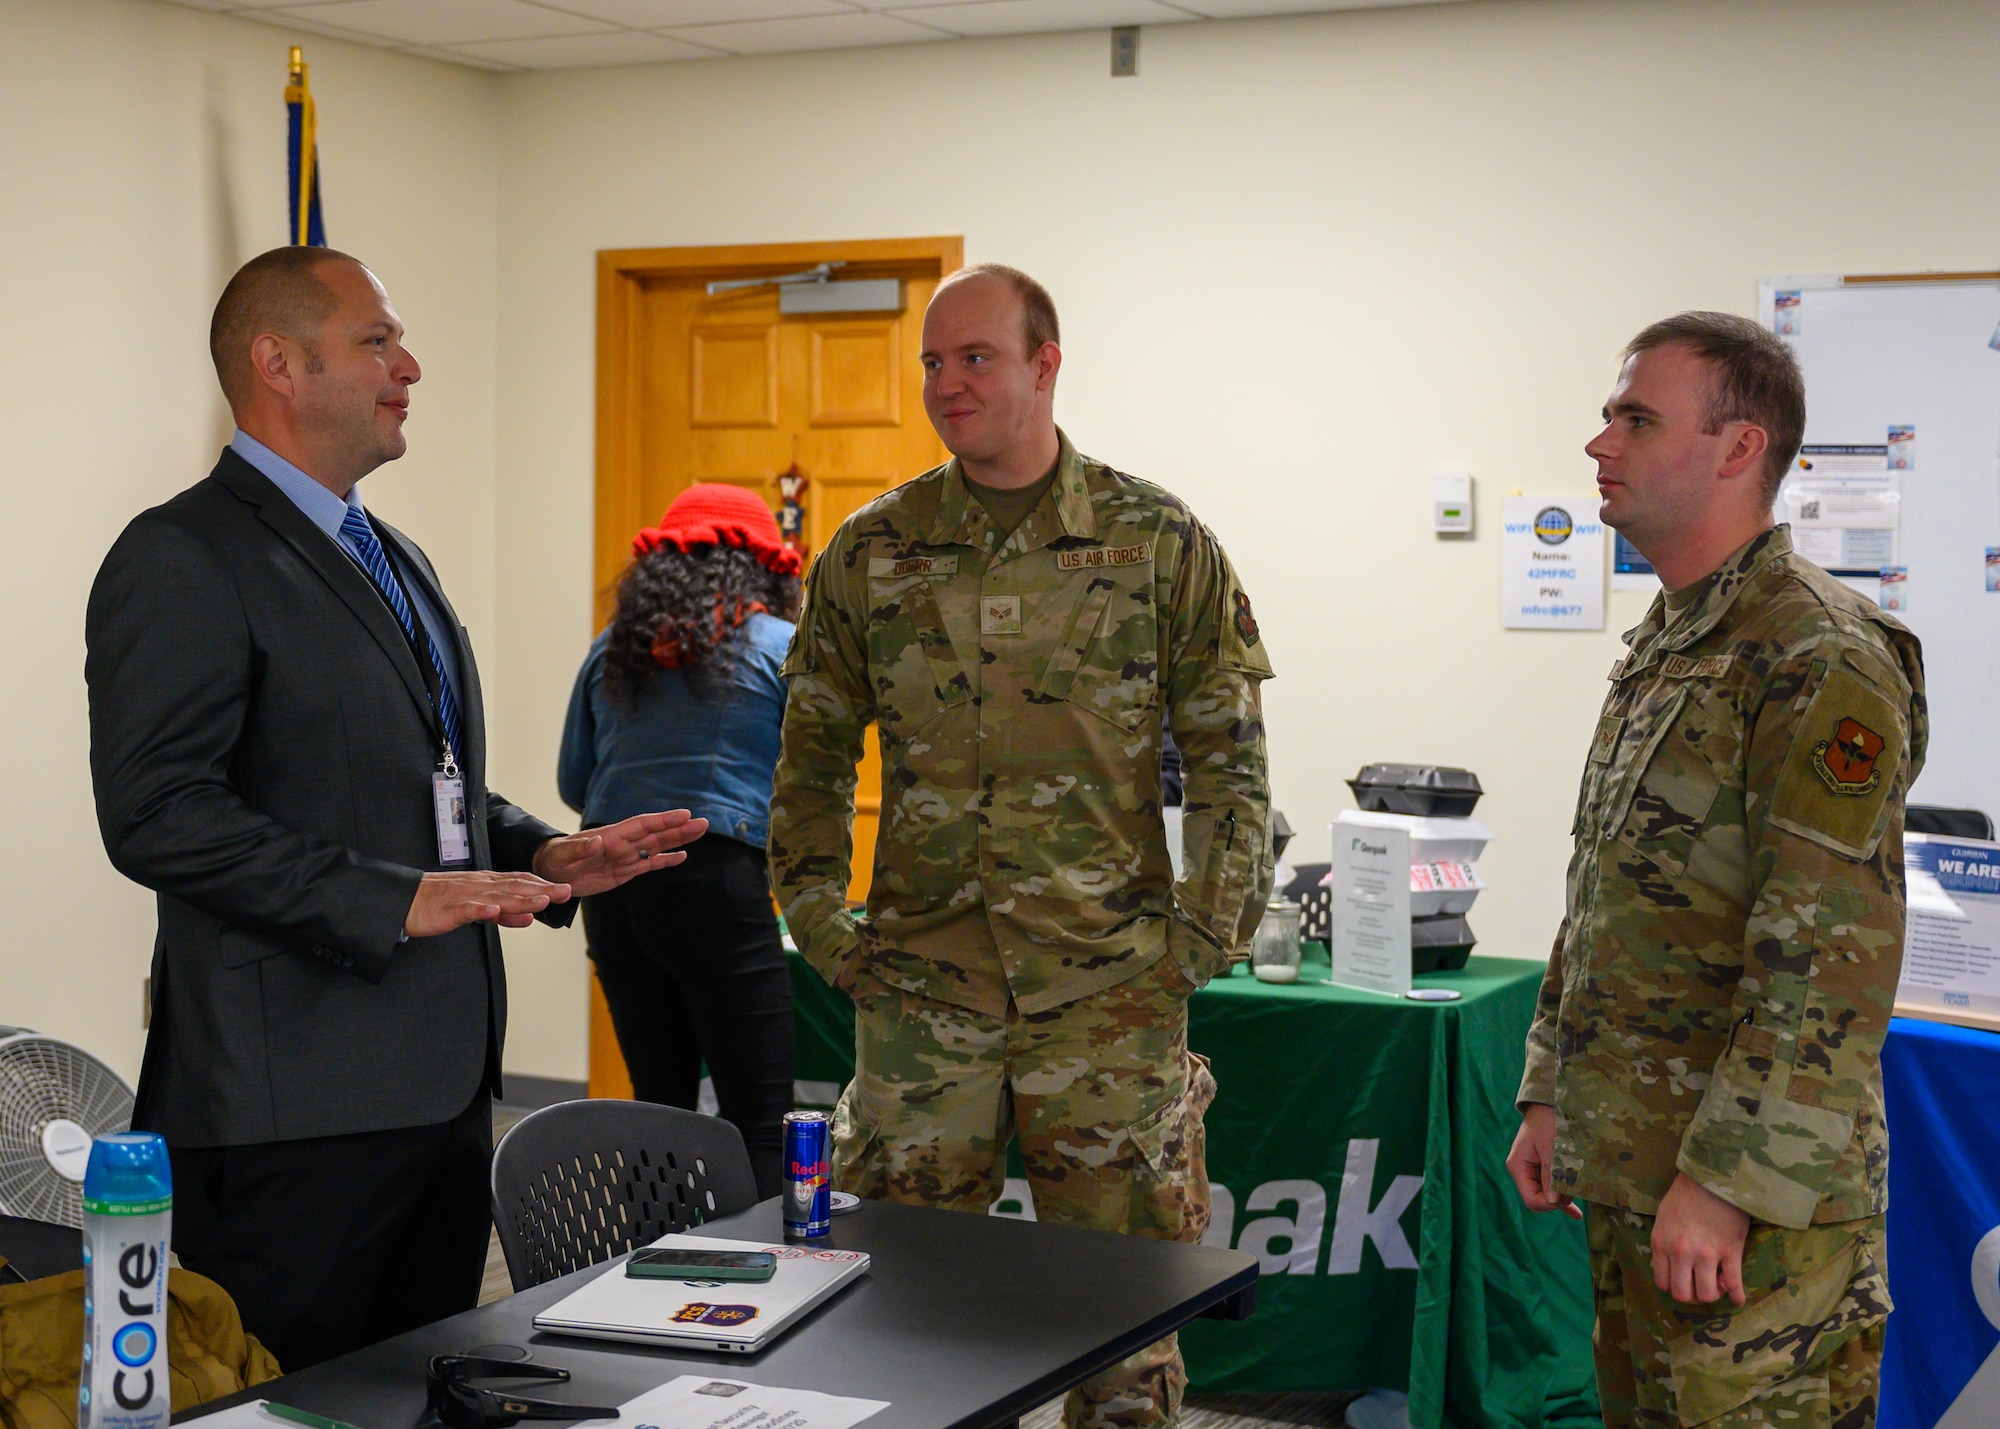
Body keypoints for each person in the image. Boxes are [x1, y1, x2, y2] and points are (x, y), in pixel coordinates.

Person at [85, 246, 706, 1369]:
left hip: (441, 1099)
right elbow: (157, 812)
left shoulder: (390, 554)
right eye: (377, 341)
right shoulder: (182, 554)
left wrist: (543, 850)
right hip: (291, 1121)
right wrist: (393, 900)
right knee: (290, 1399)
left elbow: (418, 781)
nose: (408, 365)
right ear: (278, 363)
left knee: (420, 1393)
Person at [768, 264, 1273, 1429]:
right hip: (918, 997)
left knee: (1123, 1336)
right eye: (932, 363)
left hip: (1104, 994)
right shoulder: (871, 549)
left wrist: (1198, 939)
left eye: (975, 358)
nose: (947, 384)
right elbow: (808, 761)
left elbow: (1231, 763)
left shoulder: (1153, 542)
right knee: (896, 1318)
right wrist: (822, 924)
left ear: (1045, 364)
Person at [1506, 312, 1925, 1427]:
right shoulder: (1671, 638)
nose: (1599, 443)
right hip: (1632, 1165)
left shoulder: (1816, 655)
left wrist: (1727, 1184)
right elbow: (1605, 890)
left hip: (1747, 1218)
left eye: (1635, 419)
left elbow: (1824, 964)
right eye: (1607, 415)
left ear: (1737, 449)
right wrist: (1549, 1084)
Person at [558, 485, 802, 1199]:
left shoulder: (611, 651)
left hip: (614, 885)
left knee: (657, 1107)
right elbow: (815, 781)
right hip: (716, 879)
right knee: (760, 1119)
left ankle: (645, 1286)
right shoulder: (779, 648)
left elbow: (576, 778)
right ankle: (769, 1291)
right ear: (765, 571)